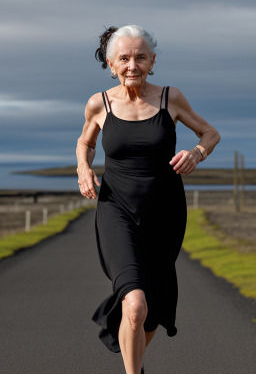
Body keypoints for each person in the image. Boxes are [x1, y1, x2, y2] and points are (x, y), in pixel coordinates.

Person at [76, 24, 221, 374]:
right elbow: (86, 142)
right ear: (111, 64)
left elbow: (210, 133)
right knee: (135, 304)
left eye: (140, 58)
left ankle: (135, 362)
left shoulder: (171, 98)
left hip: (165, 213)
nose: (132, 65)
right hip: (117, 210)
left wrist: (197, 154)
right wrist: (83, 168)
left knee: (152, 310)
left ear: (152, 61)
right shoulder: (100, 103)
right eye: (124, 58)